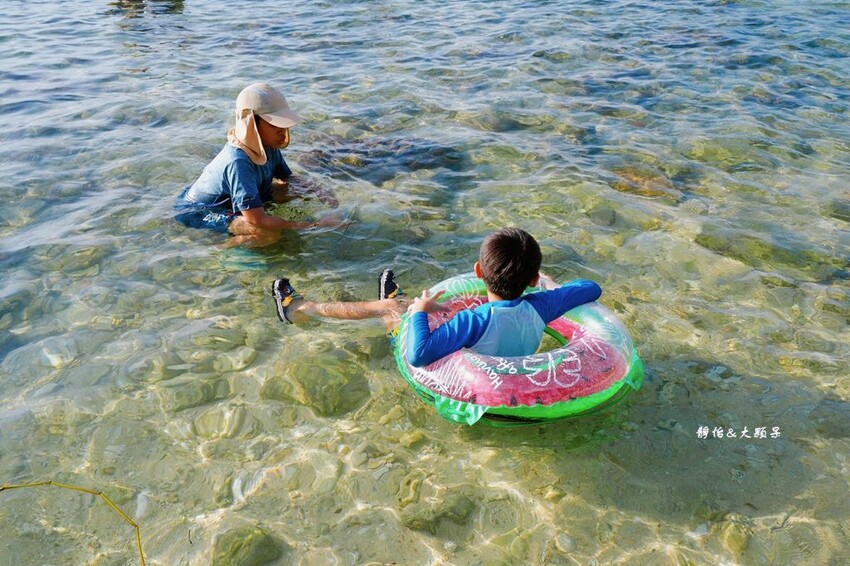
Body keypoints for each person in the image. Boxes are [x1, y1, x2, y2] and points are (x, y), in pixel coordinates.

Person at [271, 228, 602, 367]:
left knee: (394, 308)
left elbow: (418, 355)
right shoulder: (543, 306)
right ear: (532, 279)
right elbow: (591, 287)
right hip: (509, 375)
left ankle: (300, 308)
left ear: (478, 271)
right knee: (402, 307)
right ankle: (396, 307)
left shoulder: (473, 321)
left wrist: (419, 312)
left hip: (468, 385)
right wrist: (549, 285)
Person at [174, 82, 343, 246]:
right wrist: (314, 225)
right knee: (266, 233)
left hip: (232, 200)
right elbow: (258, 220)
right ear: (251, 125)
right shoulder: (238, 162)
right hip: (201, 211)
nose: (283, 131)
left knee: (287, 189)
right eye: (275, 124)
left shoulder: (268, 147)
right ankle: (221, 251)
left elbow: (288, 178)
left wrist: (318, 191)